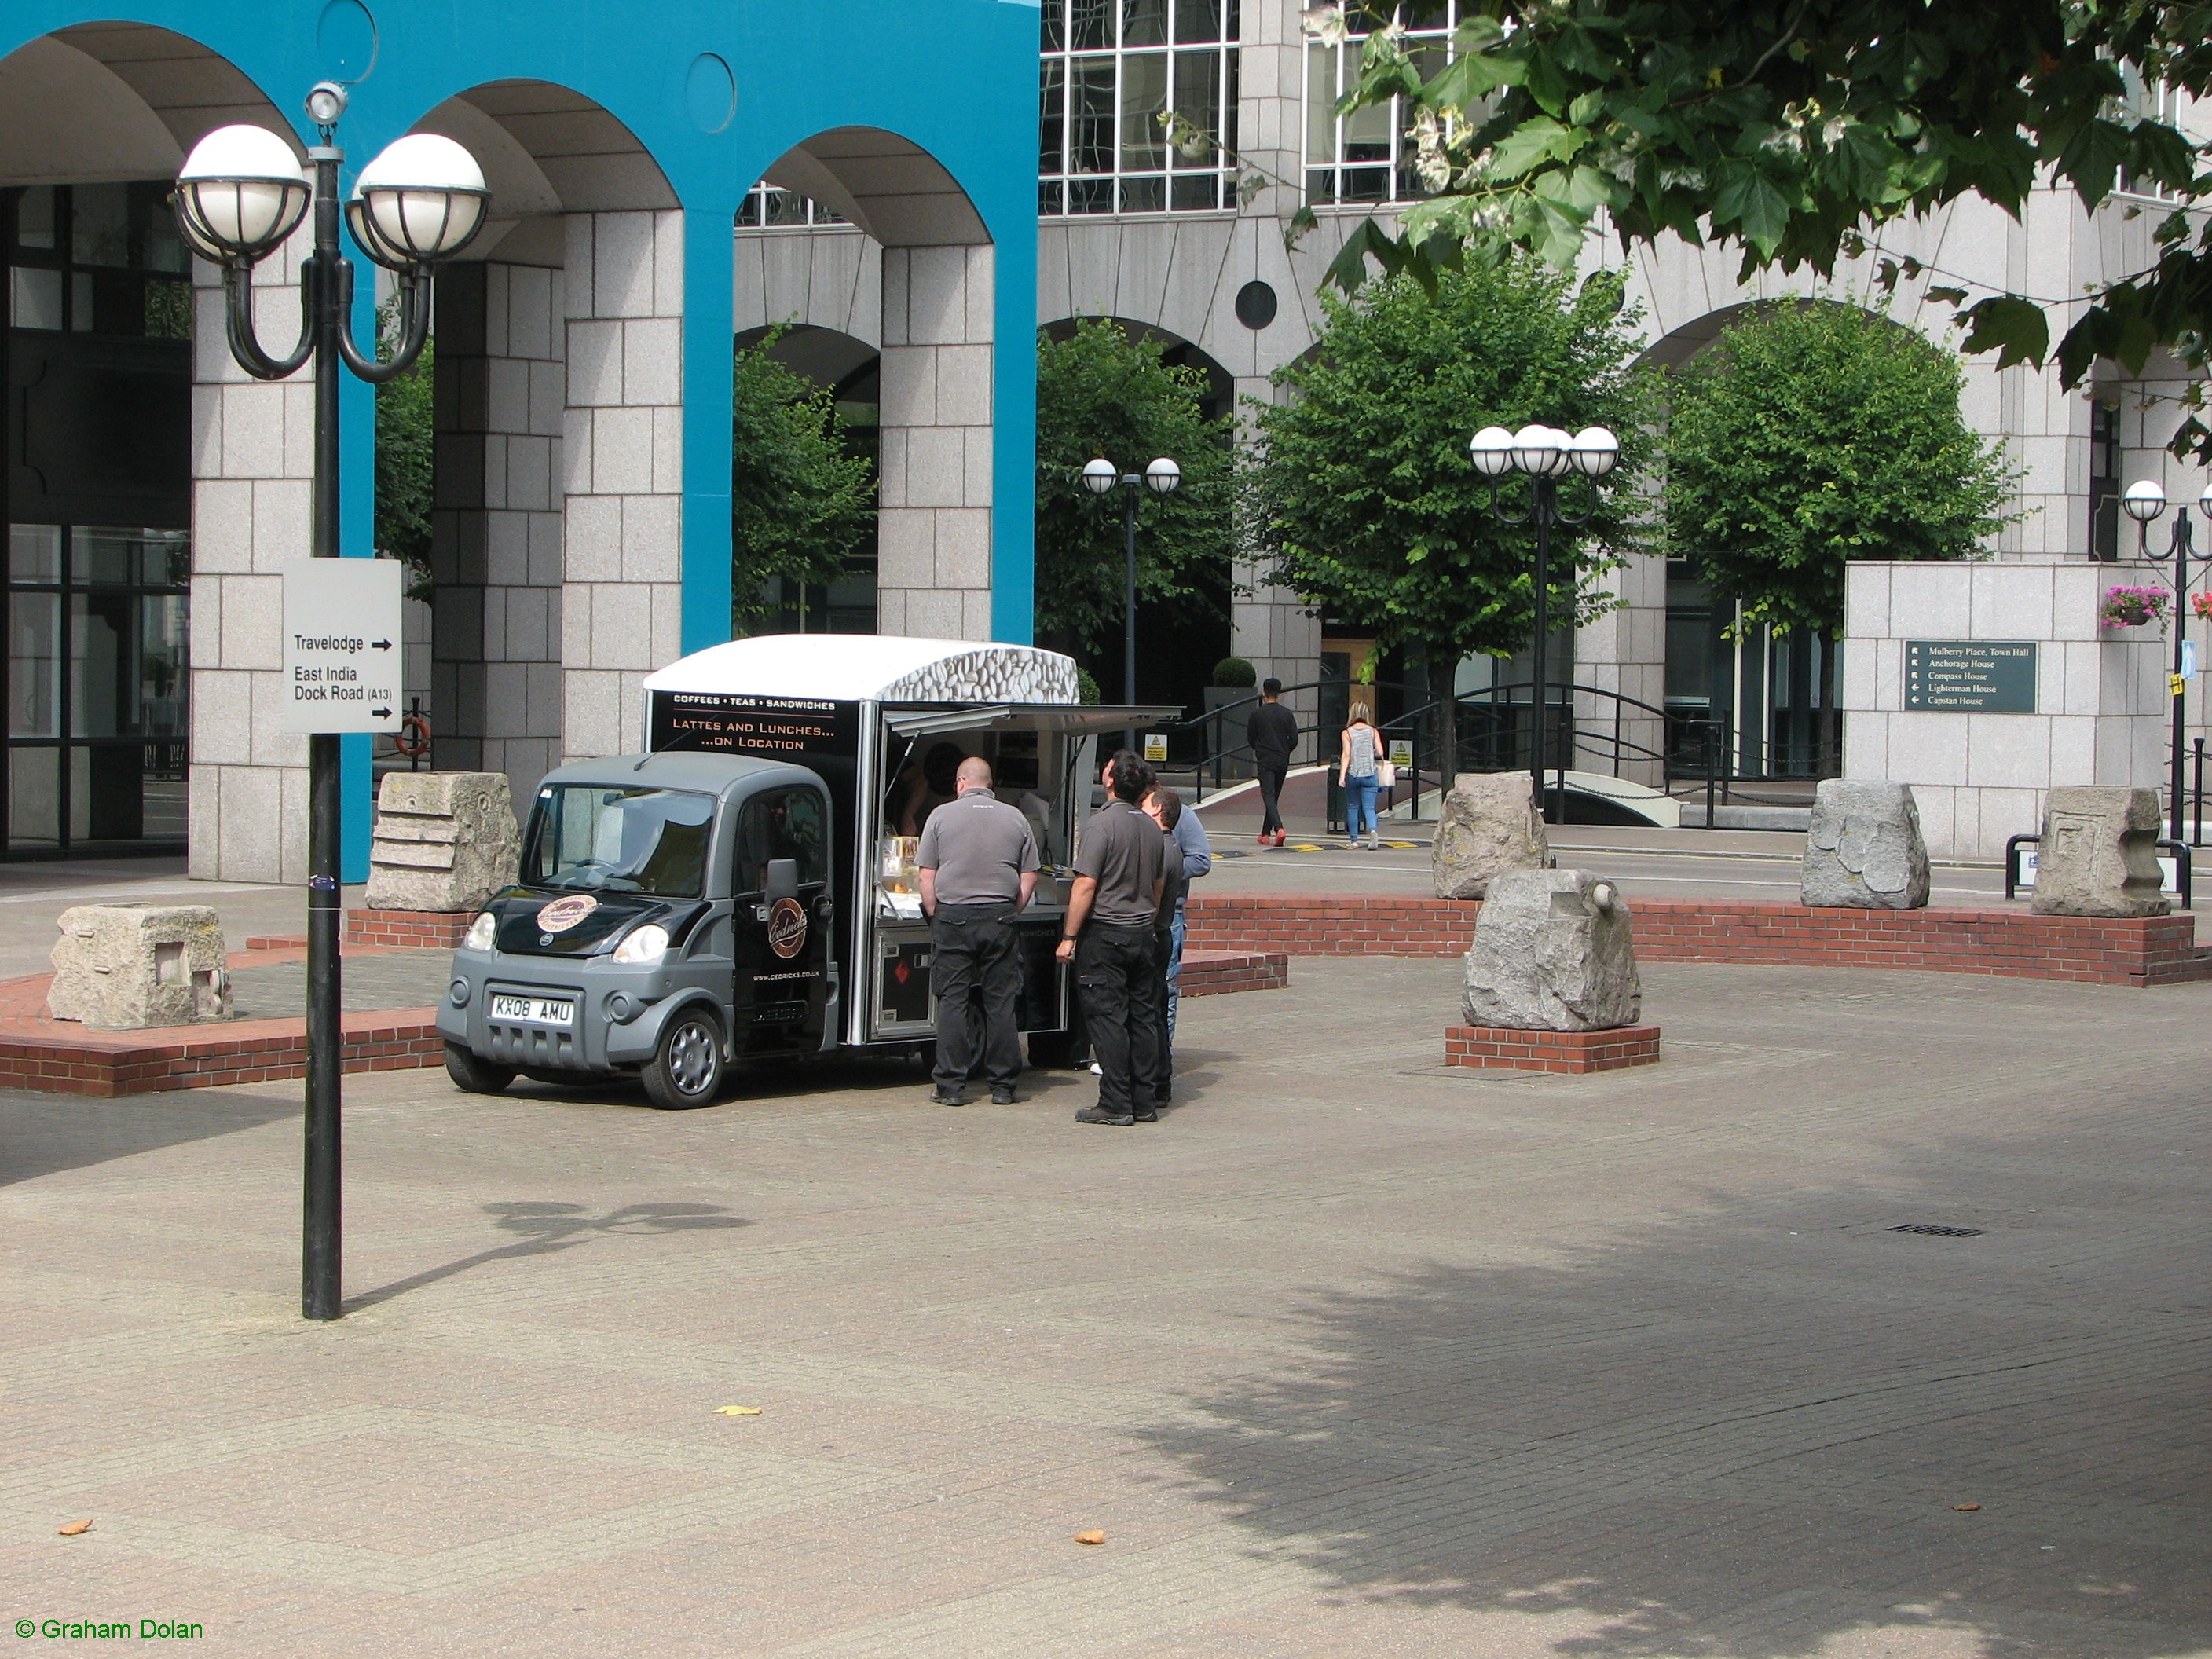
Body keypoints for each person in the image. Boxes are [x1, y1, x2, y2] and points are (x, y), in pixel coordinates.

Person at [916, 756, 1039, 1107]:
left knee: (953, 1001)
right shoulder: (1015, 817)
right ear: (991, 784)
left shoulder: (940, 815)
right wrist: (1012, 910)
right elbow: (1029, 874)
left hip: (953, 915)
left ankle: (951, 1087)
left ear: (960, 782)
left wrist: (935, 912)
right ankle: (1003, 1087)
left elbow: (927, 875)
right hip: (999, 915)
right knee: (1000, 1002)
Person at [1058, 751, 1166, 1126]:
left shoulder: (1100, 826)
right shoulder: (1153, 828)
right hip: (1142, 933)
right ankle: (1144, 1100)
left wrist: (1069, 936)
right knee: (1142, 1018)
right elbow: (1157, 885)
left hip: (1106, 934)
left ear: (1110, 782)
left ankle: (1116, 1102)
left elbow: (1085, 884)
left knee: (1107, 1019)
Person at [1141, 786, 1189, 1105]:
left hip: (1155, 934)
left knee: (1150, 1011)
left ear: (1158, 810)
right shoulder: (1170, 846)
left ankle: (1155, 1082)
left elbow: (1155, 896)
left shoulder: (1160, 847)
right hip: (1161, 933)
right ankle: (1160, 1082)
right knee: (1156, 1011)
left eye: (1145, 805)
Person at [1246, 677, 1299, 847]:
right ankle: (1264, 833)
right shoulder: (1287, 713)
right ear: (1279, 694)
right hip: (1282, 758)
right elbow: (1294, 739)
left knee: (1268, 795)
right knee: (1274, 796)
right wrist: (1285, 749)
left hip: (1265, 758)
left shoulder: (1257, 714)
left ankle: (1279, 828)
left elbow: (1251, 738)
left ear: (1263, 693)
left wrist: (1259, 750)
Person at [1339, 706, 1385, 850]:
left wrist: (1342, 776)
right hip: (1370, 774)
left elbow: (1346, 754)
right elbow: (1380, 752)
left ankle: (1354, 841)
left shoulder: (1347, 733)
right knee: (1369, 808)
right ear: (1366, 714)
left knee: (1353, 807)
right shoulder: (1373, 731)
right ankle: (1373, 830)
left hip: (1353, 774)